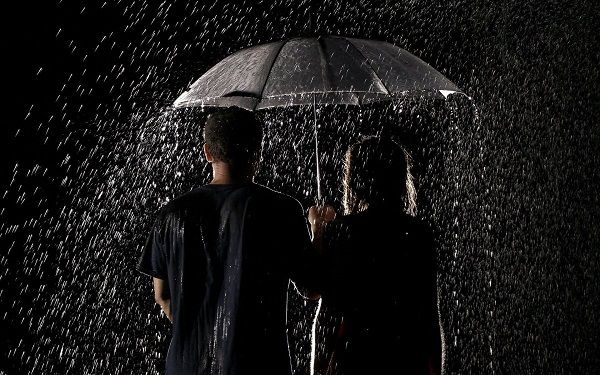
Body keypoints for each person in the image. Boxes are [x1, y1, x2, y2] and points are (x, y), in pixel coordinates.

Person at [137, 107, 318, 375]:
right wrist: (320, 229)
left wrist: (204, 330)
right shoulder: (280, 210)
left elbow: (162, 296)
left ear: (207, 152)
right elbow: (312, 288)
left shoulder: (172, 214)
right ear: (258, 151)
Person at [309, 136, 442, 375]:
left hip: (354, 357)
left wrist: (318, 231)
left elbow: (327, 314)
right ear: (401, 181)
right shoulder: (417, 233)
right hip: (407, 357)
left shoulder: (342, 231)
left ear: (355, 181)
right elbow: (430, 315)